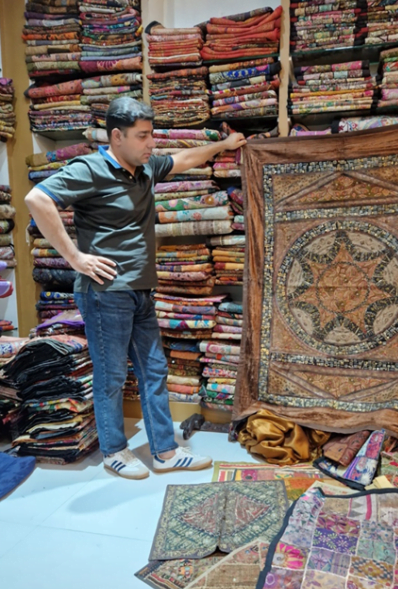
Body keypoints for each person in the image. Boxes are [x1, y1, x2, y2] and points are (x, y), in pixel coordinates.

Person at [24, 97, 246, 479]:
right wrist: (75, 258)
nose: (150, 144)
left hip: (141, 290)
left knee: (154, 370)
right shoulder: (91, 169)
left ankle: (165, 451)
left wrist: (223, 147)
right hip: (105, 292)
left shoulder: (144, 169)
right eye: (142, 136)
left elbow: (186, 159)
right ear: (116, 136)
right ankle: (114, 451)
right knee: (111, 374)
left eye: (152, 136)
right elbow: (36, 198)